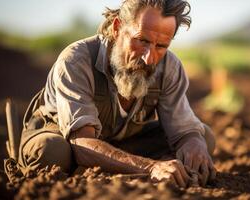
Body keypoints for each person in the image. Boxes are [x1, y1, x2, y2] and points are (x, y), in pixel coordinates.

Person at [18, 0, 216, 187]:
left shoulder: (170, 68)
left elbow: (184, 130)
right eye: (141, 41)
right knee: (51, 151)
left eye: (161, 46)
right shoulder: (76, 61)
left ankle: (120, 167)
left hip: (122, 143)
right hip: (72, 143)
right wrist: (151, 166)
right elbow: (81, 143)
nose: (149, 58)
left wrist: (192, 142)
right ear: (117, 27)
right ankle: (115, 169)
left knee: (202, 138)